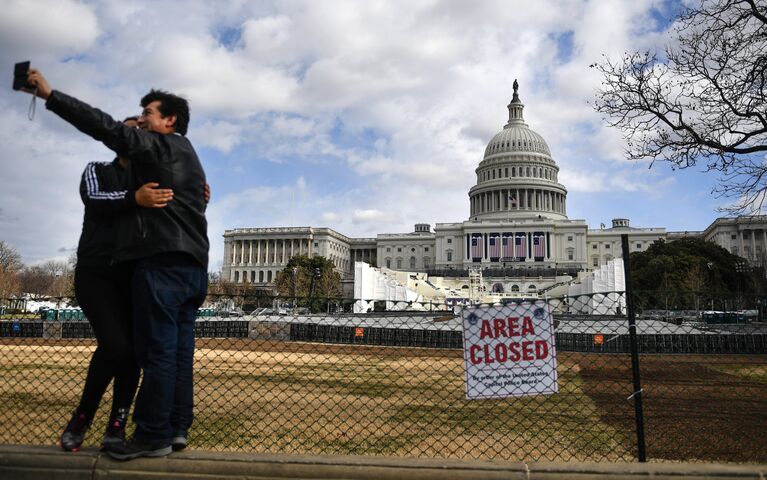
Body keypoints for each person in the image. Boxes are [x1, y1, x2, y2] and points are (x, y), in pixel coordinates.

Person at [21, 69, 210, 461]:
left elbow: (102, 125)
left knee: (155, 353)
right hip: (192, 268)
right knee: (175, 354)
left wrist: (50, 94)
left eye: (147, 114)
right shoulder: (185, 158)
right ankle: (175, 428)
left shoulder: (156, 148)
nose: (140, 121)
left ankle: (151, 434)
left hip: (161, 265)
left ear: (168, 121)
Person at [60, 116, 175, 452]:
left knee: (132, 353)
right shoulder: (97, 169)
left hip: (133, 274)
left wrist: (197, 195)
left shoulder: (149, 180)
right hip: (96, 272)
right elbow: (94, 199)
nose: (136, 131)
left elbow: (173, 210)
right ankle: (83, 416)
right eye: (129, 126)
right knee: (115, 346)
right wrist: (134, 199)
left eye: (142, 126)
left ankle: (117, 424)